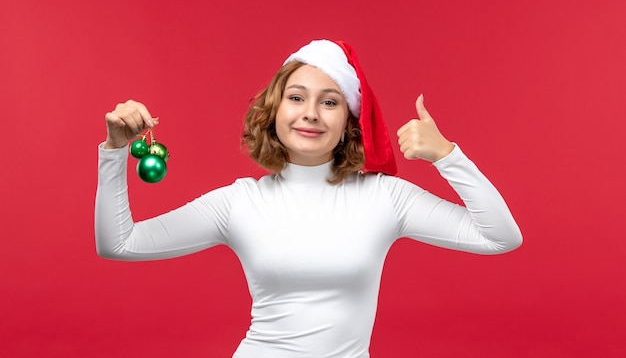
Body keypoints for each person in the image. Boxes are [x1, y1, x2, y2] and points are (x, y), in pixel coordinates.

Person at [95, 39, 523, 358]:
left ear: (349, 123)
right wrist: (114, 151)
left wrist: (448, 156)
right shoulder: (238, 203)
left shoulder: (385, 197)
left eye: (329, 101)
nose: (310, 113)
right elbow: (120, 243)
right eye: (296, 98)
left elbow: (500, 237)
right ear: (274, 112)